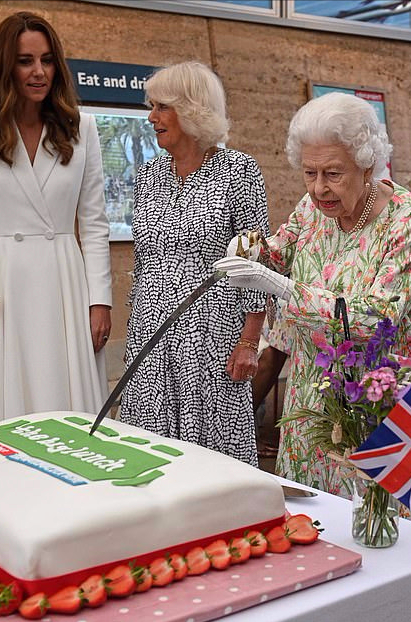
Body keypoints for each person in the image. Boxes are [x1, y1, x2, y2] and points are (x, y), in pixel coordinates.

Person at [216, 92, 411, 497]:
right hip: (309, 393)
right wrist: (247, 248)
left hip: (374, 397)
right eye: (309, 173)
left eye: (333, 174)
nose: (319, 189)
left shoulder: (409, 220)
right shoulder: (313, 206)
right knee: (310, 517)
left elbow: (375, 317)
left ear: (367, 164)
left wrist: (282, 288)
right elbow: (278, 251)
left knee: (374, 524)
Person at [0, 12, 112, 426]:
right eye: (25, 61)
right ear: (5, 67)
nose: (39, 72)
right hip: (5, 279)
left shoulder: (81, 128)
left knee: (67, 400)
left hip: (65, 281)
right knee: (4, 406)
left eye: (48, 60)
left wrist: (99, 300)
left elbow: (94, 223)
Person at [119, 61, 269, 466]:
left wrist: (250, 341)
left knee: (211, 463)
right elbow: (143, 259)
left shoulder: (239, 171)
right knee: (149, 458)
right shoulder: (148, 176)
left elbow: (256, 262)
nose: (152, 118)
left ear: (192, 108)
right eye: (152, 107)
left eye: (162, 107)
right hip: (150, 336)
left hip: (212, 342)